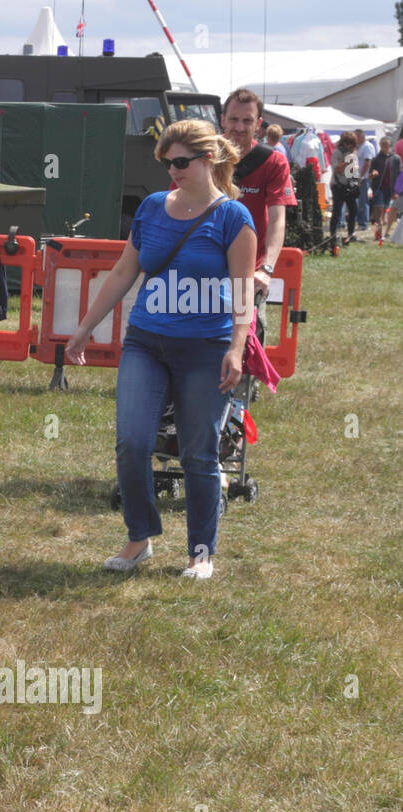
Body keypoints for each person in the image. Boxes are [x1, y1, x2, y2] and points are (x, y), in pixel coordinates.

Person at [66, 120, 256, 580]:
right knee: (132, 443)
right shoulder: (152, 209)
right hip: (146, 342)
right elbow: (122, 273)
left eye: (180, 163)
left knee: (198, 452)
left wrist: (236, 348)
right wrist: (85, 328)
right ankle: (140, 537)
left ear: (208, 160)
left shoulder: (233, 218)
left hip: (206, 348)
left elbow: (245, 292)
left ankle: (200, 552)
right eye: (165, 163)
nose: (171, 171)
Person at [219, 89, 295, 336]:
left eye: (247, 120)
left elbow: (277, 219)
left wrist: (267, 269)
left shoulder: (273, 162)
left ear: (259, 124)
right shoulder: (201, 155)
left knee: (246, 346)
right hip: (202, 269)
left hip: (249, 273)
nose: (239, 127)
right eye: (233, 119)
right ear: (222, 120)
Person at [329, 133, 361, 245]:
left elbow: (353, 171)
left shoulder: (352, 153)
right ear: (344, 143)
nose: (350, 146)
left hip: (349, 185)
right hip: (338, 185)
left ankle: (350, 234)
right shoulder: (337, 152)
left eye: (352, 144)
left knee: (353, 210)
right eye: (349, 143)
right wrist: (347, 162)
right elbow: (336, 168)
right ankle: (332, 235)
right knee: (337, 211)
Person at [369, 136, 394, 234]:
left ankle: (382, 230)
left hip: (390, 188)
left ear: (390, 146)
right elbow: (370, 173)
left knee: (384, 210)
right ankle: (379, 232)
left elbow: (399, 173)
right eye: (382, 146)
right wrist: (373, 173)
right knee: (379, 209)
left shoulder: (395, 159)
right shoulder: (376, 159)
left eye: (386, 146)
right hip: (379, 188)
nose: (384, 148)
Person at [354, 130, 377, 232]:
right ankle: (360, 221)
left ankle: (364, 223)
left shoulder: (367, 146)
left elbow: (368, 163)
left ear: (361, 137)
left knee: (363, 200)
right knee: (358, 200)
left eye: (356, 137)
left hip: (364, 178)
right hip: (358, 177)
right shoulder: (359, 147)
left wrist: (361, 176)